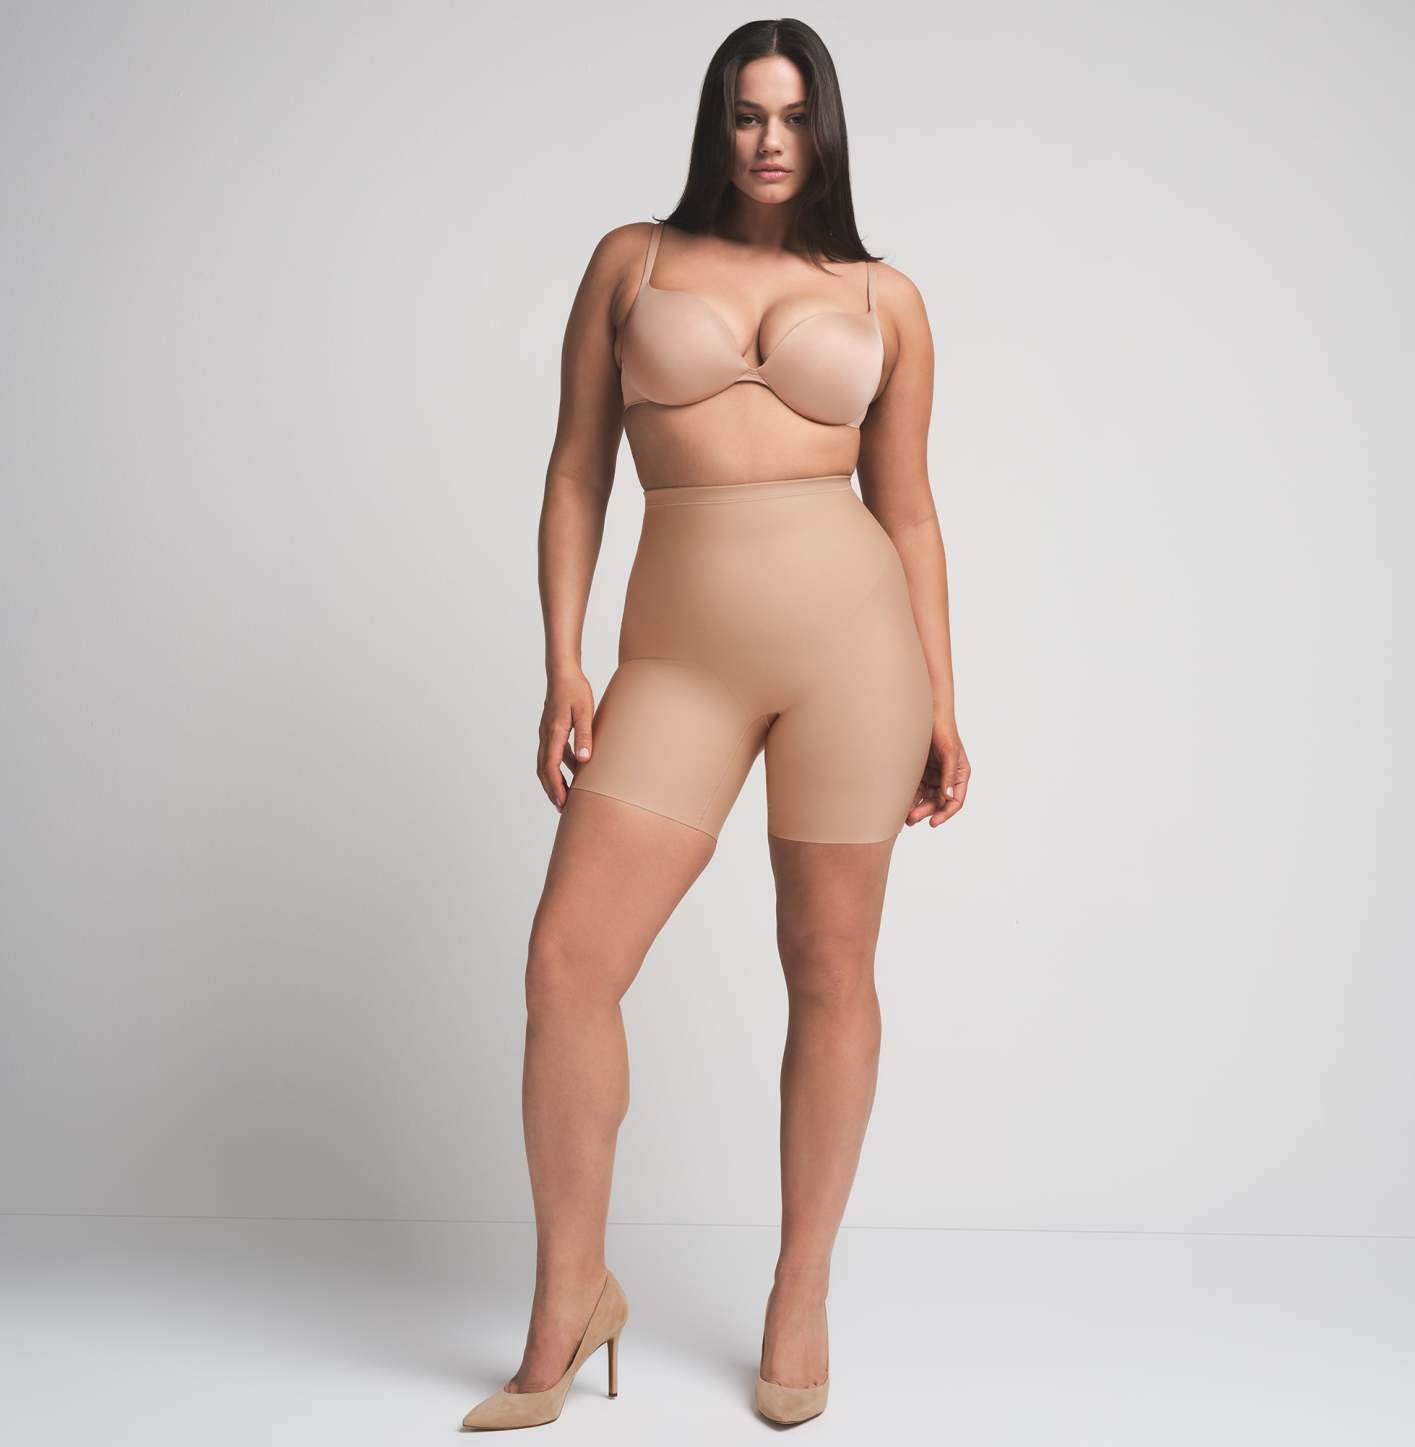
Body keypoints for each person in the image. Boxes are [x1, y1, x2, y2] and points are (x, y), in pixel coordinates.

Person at [462, 16, 970, 1432]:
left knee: (829, 967)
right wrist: (563, 662)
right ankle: (569, 1299)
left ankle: (799, 1293)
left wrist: (943, 694)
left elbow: (910, 511)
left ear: (826, 130)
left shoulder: (883, 297)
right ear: (715, 124)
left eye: (794, 116)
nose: (768, 140)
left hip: (854, 658)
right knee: (568, 964)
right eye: (747, 114)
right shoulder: (631, 262)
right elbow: (577, 471)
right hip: (677, 662)